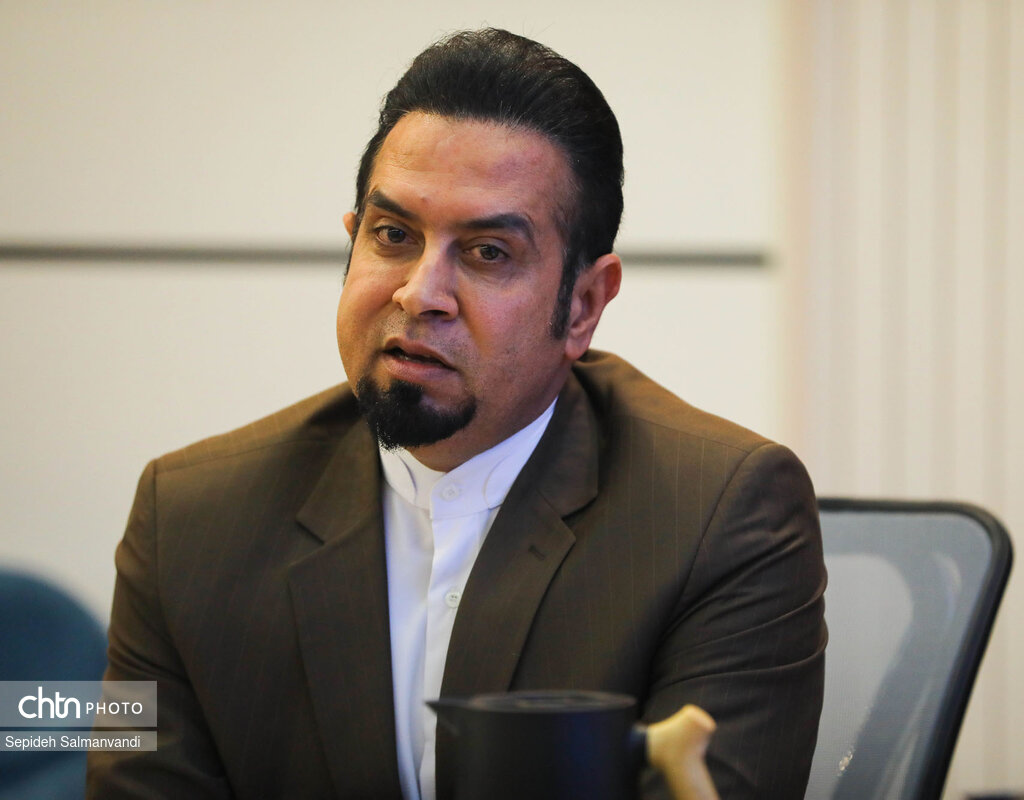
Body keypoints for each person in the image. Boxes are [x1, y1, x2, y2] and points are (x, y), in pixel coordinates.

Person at [88, 28, 826, 800]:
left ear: (583, 305)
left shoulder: (716, 516)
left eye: (487, 253)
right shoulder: (192, 520)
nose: (419, 293)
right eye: (393, 236)